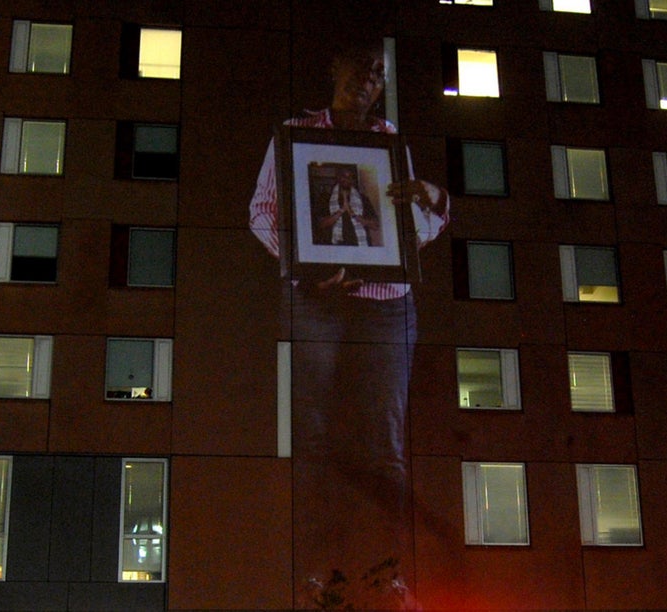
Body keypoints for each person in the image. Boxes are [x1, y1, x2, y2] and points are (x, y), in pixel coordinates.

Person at [249, 41, 449, 608]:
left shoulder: (389, 143)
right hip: (318, 302)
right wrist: (305, 266)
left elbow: (414, 233)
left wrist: (435, 200)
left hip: (387, 301)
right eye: (360, 68)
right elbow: (262, 212)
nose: (368, 80)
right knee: (313, 439)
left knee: (384, 444)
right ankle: (317, 575)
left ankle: (388, 573)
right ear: (335, 69)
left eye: (379, 74)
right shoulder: (296, 133)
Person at [316, 167, 381, 247]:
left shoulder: (363, 199)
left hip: (360, 245)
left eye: (350, 177)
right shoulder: (325, 198)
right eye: (344, 176)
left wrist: (354, 215)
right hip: (334, 246)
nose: (347, 179)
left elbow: (375, 226)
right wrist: (341, 210)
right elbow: (321, 224)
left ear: (353, 180)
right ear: (338, 177)